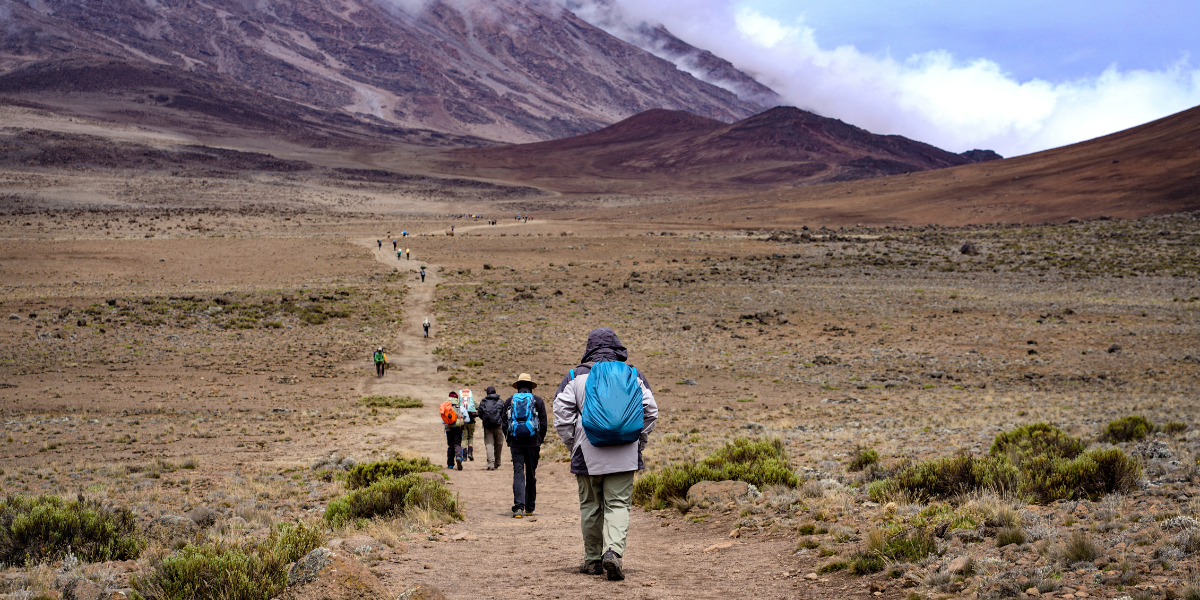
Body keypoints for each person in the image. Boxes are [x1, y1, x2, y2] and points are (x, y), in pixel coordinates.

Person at [553, 328, 657, 581]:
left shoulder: (574, 376)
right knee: (618, 504)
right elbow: (650, 411)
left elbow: (562, 415)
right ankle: (612, 552)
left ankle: (592, 560)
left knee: (590, 506)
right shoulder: (633, 374)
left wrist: (573, 444)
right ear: (617, 348)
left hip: (588, 453)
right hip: (625, 452)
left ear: (589, 348)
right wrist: (637, 441)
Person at [502, 373, 546, 518]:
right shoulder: (538, 401)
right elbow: (544, 424)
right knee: (531, 474)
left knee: (518, 473)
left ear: (518, 386)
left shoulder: (509, 401)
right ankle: (530, 507)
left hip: (516, 443)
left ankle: (519, 507)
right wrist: (540, 439)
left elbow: (504, 423)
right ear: (531, 386)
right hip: (533, 443)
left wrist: (509, 440)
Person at [478, 386, 505, 470]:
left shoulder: (483, 402)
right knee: (498, 444)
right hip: (498, 426)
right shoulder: (500, 401)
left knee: (489, 444)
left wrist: (485, 420)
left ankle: (490, 463)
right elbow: (504, 414)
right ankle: (497, 462)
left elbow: (479, 413)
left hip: (487, 427)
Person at [441, 391, 465, 469]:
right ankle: (459, 457)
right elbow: (467, 419)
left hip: (448, 429)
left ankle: (450, 464)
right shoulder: (460, 408)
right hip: (458, 429)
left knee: (450, 445)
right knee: (457, 444)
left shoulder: (445, 407)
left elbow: (442, 421)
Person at [460, 388, 478, 462]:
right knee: (470, 437)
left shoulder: (460, 403)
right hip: (472, 422)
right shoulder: (473, 402)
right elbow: (479, 408)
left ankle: (464, 456)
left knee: (464, 438)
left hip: (464, 422)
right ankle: (470, 453)